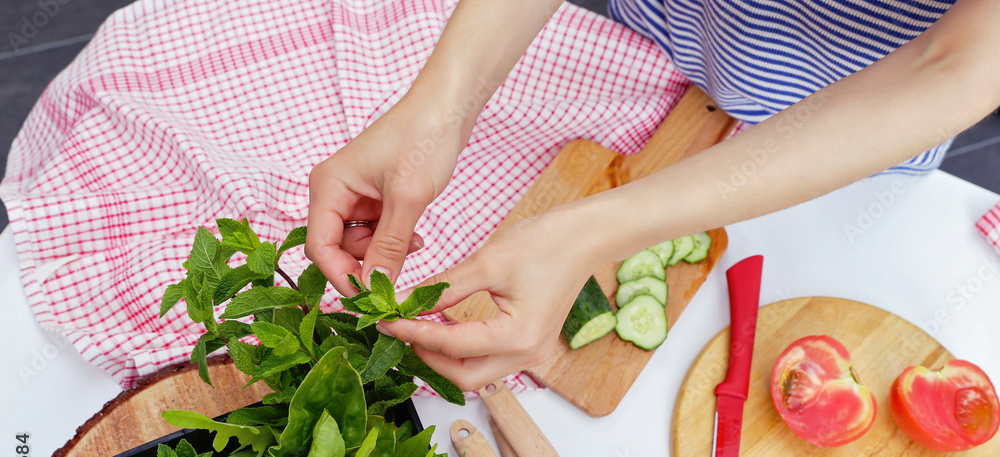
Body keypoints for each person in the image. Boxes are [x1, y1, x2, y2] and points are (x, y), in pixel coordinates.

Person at [304, 0, 1000, 392]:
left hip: (838, 133)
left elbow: (955, 67)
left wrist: (592, 233)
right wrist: (441, 106)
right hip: (658, 26)